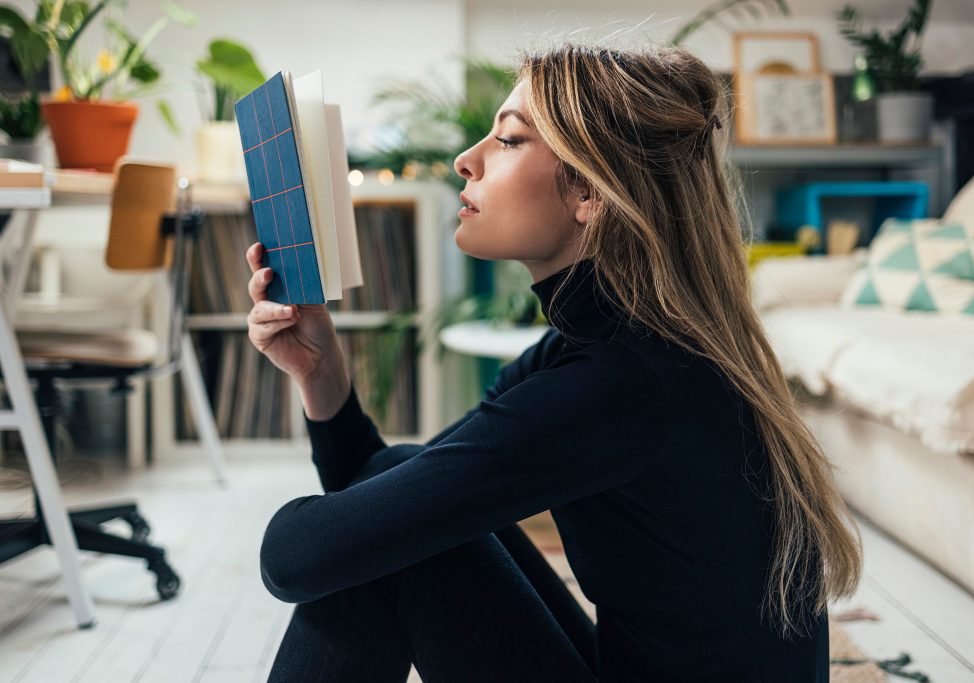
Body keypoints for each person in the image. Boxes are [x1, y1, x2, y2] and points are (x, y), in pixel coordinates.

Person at [247, 43, 863, 682]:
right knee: (399, 503)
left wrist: (320, 530)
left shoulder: (619, 385)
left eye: (509, 141)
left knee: (383, 540)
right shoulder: (618, 344)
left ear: (590, 193)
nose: (466, 159)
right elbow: (384, 497)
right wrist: (320, 373)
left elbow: (295, 559)